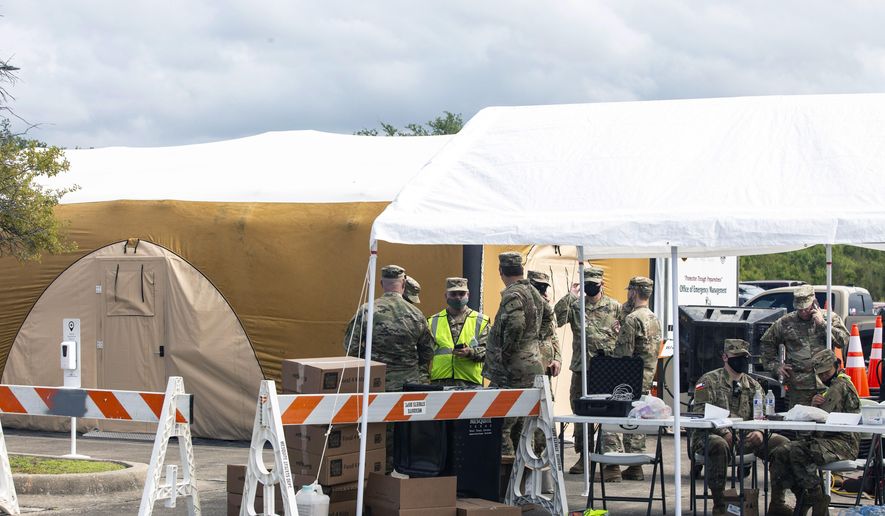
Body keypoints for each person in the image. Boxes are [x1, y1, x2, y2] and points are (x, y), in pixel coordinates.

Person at [343, 264, 435, 473]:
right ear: (403, 284)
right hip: (406, 386)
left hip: (375, 385)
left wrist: (370, 366)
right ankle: (399, 477)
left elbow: (351, 347)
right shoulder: (416, 314)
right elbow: (427, 352)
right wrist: (411, 368)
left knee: (375, 432)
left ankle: (375, 476)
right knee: (403, 433)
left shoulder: (367, 311)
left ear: (382, 283)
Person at [691, 339, 789, 515]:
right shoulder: (708, 380)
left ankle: (777, 503)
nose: (742, 361)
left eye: (745, 357)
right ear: (725, 357)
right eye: (737, 357)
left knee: (783, 444)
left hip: (745, 438)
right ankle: (720, 506)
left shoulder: (753, 385)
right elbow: (700, 412)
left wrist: (759, 431)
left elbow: (764, 414)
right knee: (718, 445)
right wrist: (723, 431)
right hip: (711, 436)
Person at [768, 348, 860, 516]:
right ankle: (781, 502)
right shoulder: (831, 386)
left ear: (836, 366)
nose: (824, 377)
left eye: (827, 373)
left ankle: (815, 496)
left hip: (843, 442)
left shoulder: (840, 385)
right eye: (821, 374)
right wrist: (813, 405)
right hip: (825, 440)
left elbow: (821, 417)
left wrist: (814, 407)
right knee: (779, 453)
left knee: (796, 451)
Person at [553, 266, 621, 477]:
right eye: (587, 284)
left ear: (602, 284)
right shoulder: (575, 306)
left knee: (610, 412)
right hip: (582, 368)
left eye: (594, 284)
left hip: (608, 369)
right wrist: (570, 295)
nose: (591, 287)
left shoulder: (615, 307)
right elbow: (555, 319)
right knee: (581, 412)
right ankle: (584, 455)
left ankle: (611, 462)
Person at [485, 252, 547, 457]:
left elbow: (516, 324)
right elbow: (549, 317)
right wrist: (536, 341)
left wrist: (507, 352)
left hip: (513, 369)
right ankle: (525, 476)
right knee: (523, 424)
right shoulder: (533, 292)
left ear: (500, 271)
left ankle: (505, 478)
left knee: (501, 424)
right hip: (532, 363)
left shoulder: (513, 294)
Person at [603, 276, 662, 481]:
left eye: (630, 290)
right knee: (637, 418)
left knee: (611, 417)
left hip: (627, 377)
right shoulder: (654, 318)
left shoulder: (632, 319)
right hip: (645, 375)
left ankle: (611, 467)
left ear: (634, 293)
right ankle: (636, 466)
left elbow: (623, 354)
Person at [761, 285, 850, 409]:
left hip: (827, 384)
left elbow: (843, 340)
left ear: (814, 304)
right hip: (799, 387)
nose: (803, 312)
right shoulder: (785, 322)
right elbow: (767, 342)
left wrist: (823, 324)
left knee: (827, 421)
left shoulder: (829, 317)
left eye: (806, 309)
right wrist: (775, 366)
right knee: (800, 423)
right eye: (799, 309)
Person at [427, 277, 490, 387]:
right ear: (446, 296)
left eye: (461, 294)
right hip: (440, 383)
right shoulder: (433, 321)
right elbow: (425, 354)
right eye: (453, 294)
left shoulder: (481, 321)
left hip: (470, 383)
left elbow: (490, 352)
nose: (458, 297)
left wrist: (471, 352)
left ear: (468, 295)